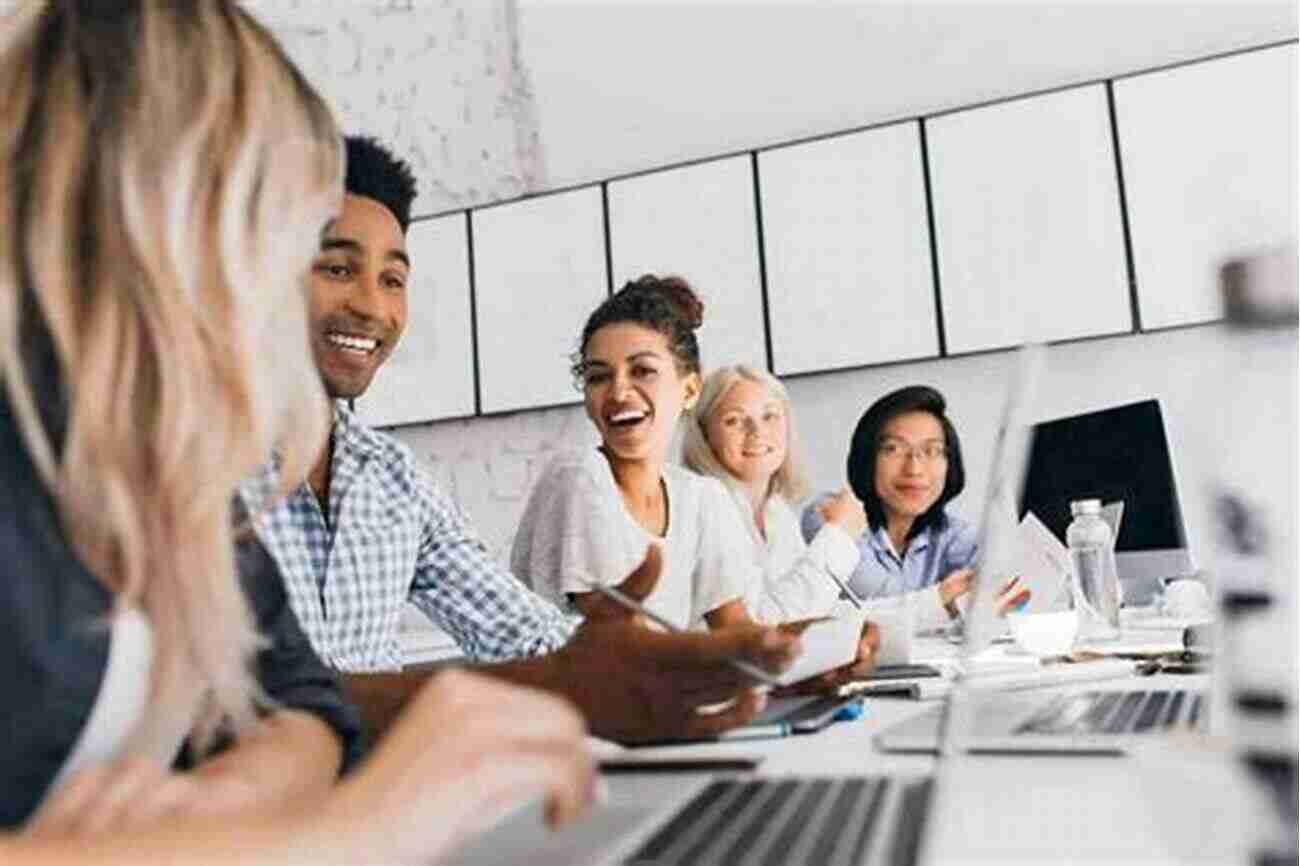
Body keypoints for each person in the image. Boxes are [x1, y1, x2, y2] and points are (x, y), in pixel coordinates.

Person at [0, 2, 605, 860]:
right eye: (291, 235)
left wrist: (216, 807)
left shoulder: (158, 459)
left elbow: (300, 706)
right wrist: (344, 834)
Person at [248, 139, 800, 740]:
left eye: (393, 278)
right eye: (337, 268)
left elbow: (525, 630)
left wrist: (763, 672)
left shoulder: (393, 480)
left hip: (390, 806)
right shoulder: (186, 464)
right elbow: (226, 707)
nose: (371, 305)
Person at [681, 364, 867, 623]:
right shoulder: (705, 508)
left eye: (769, 416)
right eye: (734, 420)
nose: (757, 432)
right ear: (705, 435)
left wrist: (932, 599)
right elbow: (758, 626)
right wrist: (838, 535)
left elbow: (810, 609)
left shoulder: (777, 511)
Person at [802, 385, 980, 632]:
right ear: (867, 457)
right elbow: (879, 606)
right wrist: (944, 598)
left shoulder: (956, 536)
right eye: (893, 449)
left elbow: (994, 597)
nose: (914, 469)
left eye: (932, 451)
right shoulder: (828, 515)